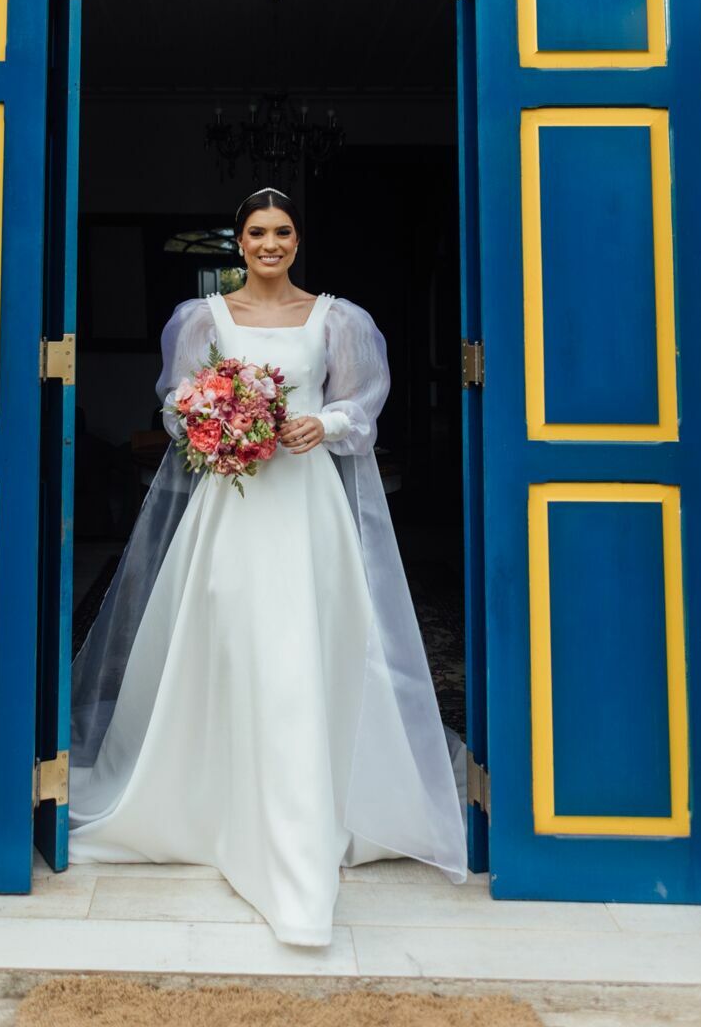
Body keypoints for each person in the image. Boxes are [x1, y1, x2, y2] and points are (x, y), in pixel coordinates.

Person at [68, 187, 468, 946]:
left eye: (282, 231)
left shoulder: (337, 319)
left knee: (307, 646)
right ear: (240, 241)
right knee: (230, 638)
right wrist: (214, 419)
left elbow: (364, 403)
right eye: (257, 232)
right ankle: (221, 800)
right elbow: (173, 405)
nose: (270, 243)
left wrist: (327, 421)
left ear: (297, 239)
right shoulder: (202, 320)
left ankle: (306, 811)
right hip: (233, 506)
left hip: (307, 505)